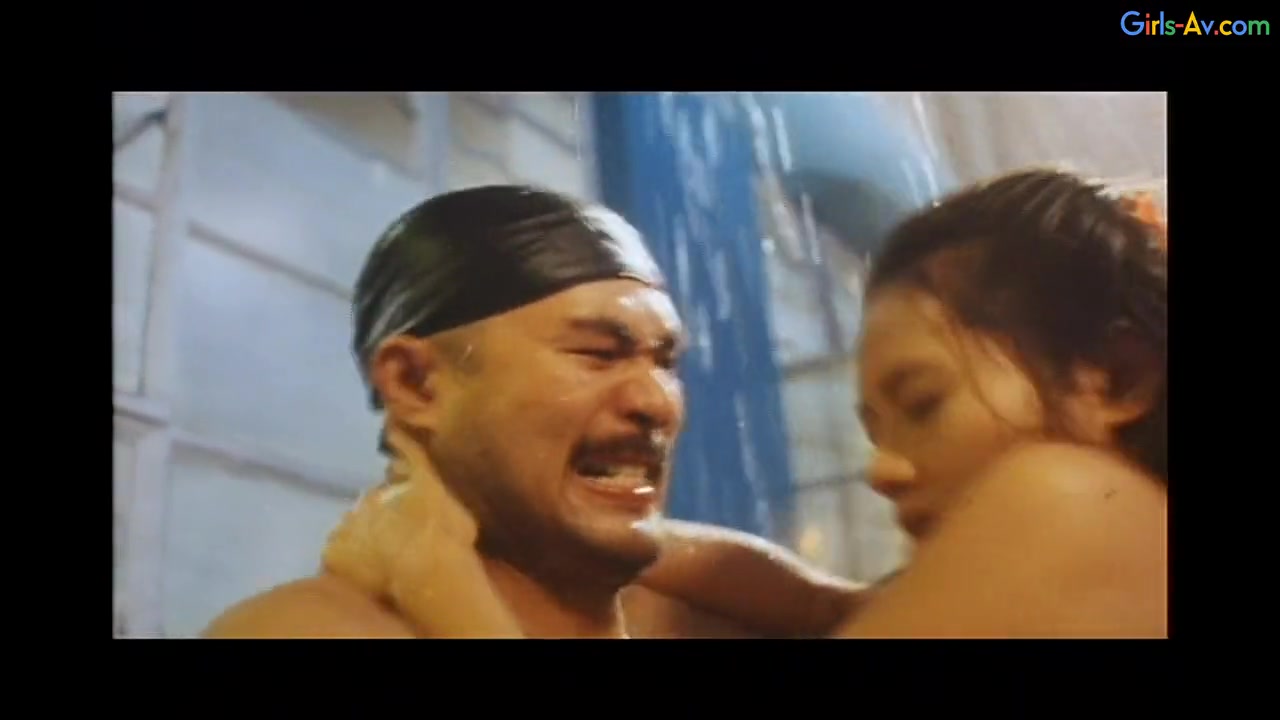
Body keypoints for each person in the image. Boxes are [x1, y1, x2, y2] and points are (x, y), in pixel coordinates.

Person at [326, 168, 1168, 639]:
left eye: (924, 403)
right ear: (414, 384)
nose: (881, 470)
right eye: (598, 352)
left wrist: (438, 581)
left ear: (1118, 377)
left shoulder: (1072, 502)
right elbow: (828, 606)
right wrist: (575, 528)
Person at [201, 185, 867, 639]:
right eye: (597, 354)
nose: (655, 401)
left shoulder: (704, 615)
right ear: (415, 384)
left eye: (665, 360)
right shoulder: (306, 631)